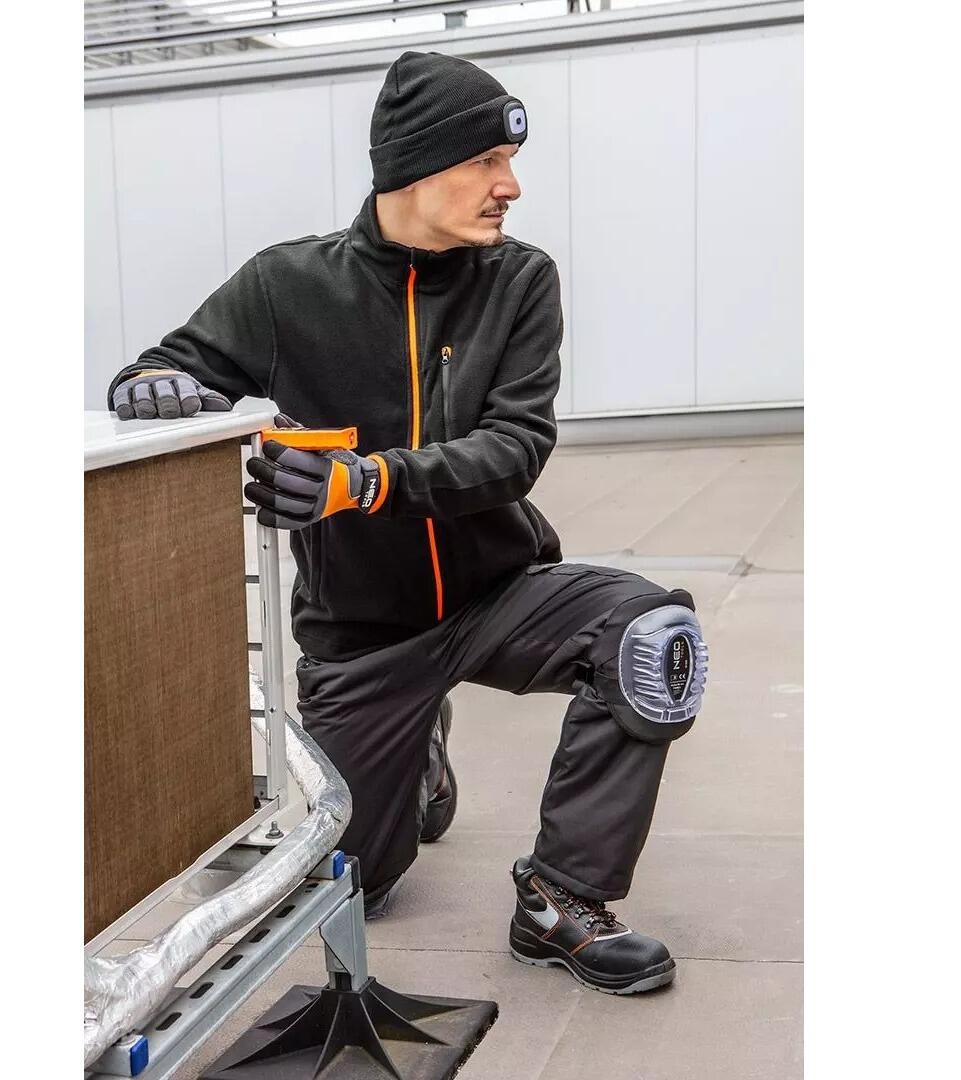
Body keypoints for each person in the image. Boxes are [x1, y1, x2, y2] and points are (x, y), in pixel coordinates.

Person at [107, 50, 708, 996]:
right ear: (416, 167)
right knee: (359, 882)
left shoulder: (520, 281)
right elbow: (164, 366)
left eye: (510, 164)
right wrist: (153, 386)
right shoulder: (286, 286)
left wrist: (366, 481)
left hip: (500, 592)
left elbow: (515, 447)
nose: (510, 187)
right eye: (486, 162)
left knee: (653, 637)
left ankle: (563, 897)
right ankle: (415, 751)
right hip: (364, 634)